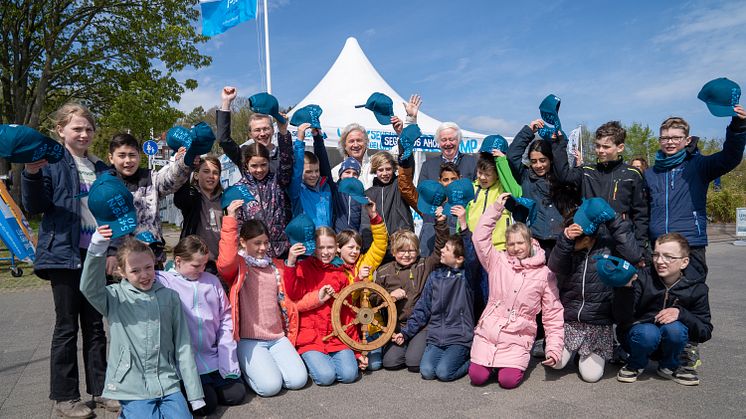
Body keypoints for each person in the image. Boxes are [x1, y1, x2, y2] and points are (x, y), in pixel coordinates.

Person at [21, 103, 116, 417]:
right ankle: (65, 398)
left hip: (96, 254)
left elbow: (113, 213)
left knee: (95, 326)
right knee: (66, 326)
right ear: (60, 130)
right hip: (64, 254)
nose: (84, 133)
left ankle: (101, 390)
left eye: (88, 128)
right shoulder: (51, 163)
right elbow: (34, 206)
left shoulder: (102, 168)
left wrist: (112, 253)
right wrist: (32, 173)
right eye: (77, 128)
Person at [80, 228, 205, 417]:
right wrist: (97, 248)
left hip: (167, 381)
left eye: (148, 267)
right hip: (131, 383)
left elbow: (183, 345)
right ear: (122, 271)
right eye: (135, 271)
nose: (144, 275)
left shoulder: (170, 297)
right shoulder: (114, 297)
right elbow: (89, 287)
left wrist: (195, 395)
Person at [469, 194, 564, 389]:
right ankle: (490, 364)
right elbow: (479, 237)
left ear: (530, 243)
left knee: (508, 381)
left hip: (518, 336)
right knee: (477, 378)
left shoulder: (544, 274)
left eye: (520, 243)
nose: (516, 248)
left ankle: (506, 365)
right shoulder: (497, 261)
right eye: (511, 244)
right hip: (489, 330)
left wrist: (554, 349)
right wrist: (495, 209)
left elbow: (553, 314)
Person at [217, 204, 312, 396]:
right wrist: (230, 219)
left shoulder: (275, 266)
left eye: (266, 243)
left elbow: (292, 294)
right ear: (243, 242)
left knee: (298, 380)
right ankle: (250, 370)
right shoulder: (239, 267)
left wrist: (292, 261)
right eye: (257, 243)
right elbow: (225, 261)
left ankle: (265, 368)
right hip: (250, 340)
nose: (263, 248)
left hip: (277, 338)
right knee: (270, 387)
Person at [645, 108, 746, 279]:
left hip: (690, 244)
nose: (670, 142)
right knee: (657, 300)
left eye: (676, 138)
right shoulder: (650, 173)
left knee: (691, 297)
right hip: (658, 246)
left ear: (687, 140)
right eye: (665, 138)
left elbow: (730, 157)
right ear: (659, 140)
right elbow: (643, 211)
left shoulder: (699, 166)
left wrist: (738, 126)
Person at [547, 200, 641, 383]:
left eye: (577, 238)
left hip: (598, 324)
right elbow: (555, 265)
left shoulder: (609, 245)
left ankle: (591, 352)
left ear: (589, 236)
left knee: (591, 376)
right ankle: (567, 349)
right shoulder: (569, 247)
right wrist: (565, 239)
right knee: (556, 363)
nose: (574, 241)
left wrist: (614, 220)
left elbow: (634, 255)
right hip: (570, 322)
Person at [157, 235, 246, 415]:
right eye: (196, 265)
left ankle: (212, 384)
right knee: (207, 406)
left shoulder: (211, 281)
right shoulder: (164, 281)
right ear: (178, 261)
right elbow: (141, 273)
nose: (202, 269)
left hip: (213, 355)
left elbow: (225, 316)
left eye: (204, 264)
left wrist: (226, 353)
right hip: (187, 363)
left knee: (236, 395)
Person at [391, 205, 479, 382]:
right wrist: (406, 332)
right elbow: (423, 309)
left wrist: (463, 224)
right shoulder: (435, 276)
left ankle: (474, 360)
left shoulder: (468, 276)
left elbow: (472, 255)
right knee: (427, 371)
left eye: (446, 249)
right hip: (437, 336)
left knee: (445, 373)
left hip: (459, 337)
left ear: (459, 258)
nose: (442, 251)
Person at [612, 233, 712, 386]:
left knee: (675, 330)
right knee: (648, 332)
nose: (660, 261)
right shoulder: (642, 277)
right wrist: (625, 289)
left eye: (668, 257)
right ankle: (635, 363)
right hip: (639, 338)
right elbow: (621, 319)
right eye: (656, 255)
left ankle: (669, 365)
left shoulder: (697, 288)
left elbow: (705, 332)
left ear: (684, 262)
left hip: (673, 342)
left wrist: (681, 313)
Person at [284, 227, 368, 385]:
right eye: (320, 247)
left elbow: (347, 313)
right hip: (311, 338)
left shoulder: (340, 273)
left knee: (350, 375)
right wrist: (291, 262)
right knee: (326, 377)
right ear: (313, 248)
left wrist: (357, 351)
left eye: (329, 247)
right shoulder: (303, 267)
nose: (325, 252)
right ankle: (311, 361)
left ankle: (325, 361)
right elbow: (292, 293)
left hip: (336, 337)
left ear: (336, 247)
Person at [552, 121, 650, 252]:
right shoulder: (587, 171)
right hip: (590, 241)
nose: (600, 151)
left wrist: (640, 247)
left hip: (621, 241)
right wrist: (559, 144)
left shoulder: (632, 174)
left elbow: (641, 215)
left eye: (606, 147)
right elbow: (563, 176)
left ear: (620, 147)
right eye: (597, 146)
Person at [105, 133, 192, 269]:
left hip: (152, 261)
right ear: (111, 158)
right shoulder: (104, 186)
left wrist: (186, 159)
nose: (128, 160)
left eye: (132, 155)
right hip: (118, 264)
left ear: (139, 156)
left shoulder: (151, 178)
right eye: (122, 156)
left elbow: (172, 178)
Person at [375, 215, 449, 372]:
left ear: (418, 251)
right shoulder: (383, 271)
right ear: (394, 252)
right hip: (396, 326)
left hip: (421, 325)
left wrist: (441, 224)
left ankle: (423, 347)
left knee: (413, 363)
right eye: (402, 251)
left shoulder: (425, 264)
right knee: (390, 363)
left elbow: (440, 247)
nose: (407, 255)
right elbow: (374, 300)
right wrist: (389, 297)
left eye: (411, 250)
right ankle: (406, 347)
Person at [336, 200, 388, 370]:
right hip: (347, 328)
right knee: (353, 365)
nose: (354, 251)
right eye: (350, 247)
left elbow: (380, 244)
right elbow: (345, 297)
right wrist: (358, 279)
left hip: (370, 327)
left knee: (375, 365)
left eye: (358, 247)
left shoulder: (365, 261)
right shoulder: (334, 269)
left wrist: (374, 216)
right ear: (338, 248)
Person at [507, 120, 565, 257]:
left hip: (560, 241)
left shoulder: (562, 177)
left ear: (550, 159)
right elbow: (512, 155)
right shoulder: (525, 176)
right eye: (533, 161)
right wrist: (528, 131)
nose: (538, 165)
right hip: (535, 240)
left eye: (542, 160)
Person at [232, 141, 293, 258]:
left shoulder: (277, 181)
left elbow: (287, 162)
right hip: (253, 254)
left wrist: (284, 134)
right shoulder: (238, 189)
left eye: (263, 165)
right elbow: (238, 224)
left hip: (281, 252)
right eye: (254, 166)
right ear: (246, 165)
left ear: (269, 162)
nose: (259, 170)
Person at [218, 86, 291, 174]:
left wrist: (283, 131)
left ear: (272, 130)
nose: (262, 133)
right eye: (257, 130)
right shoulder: (244, 154)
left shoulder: (283, 154)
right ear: (250, 134)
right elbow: (224, 140)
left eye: (266, 129)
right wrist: (226, 101)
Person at [173, 155, 224, 274]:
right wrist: (184, 165)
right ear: (196, 175)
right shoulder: (192, 197)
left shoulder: (225, 200)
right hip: (196, 263)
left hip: (220, 264)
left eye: (215, 173)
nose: (211, 176)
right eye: (206, 171)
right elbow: (180, 199)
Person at [289, 123, 332, 227]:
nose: (314, 175)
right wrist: (299, 140)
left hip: (326, 239)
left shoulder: (326, 187)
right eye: (308, 172)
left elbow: (324, 160)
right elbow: (296, 170)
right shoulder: (297, 191)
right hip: (307, 240)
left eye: (316, 171)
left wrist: (317, 136)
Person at [331, 123, 374, 188]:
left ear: (366, 143)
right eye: (351, 141)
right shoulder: (335, 171)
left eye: (359, 140)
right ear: (344, 145)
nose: (356, 145)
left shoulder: (376, 166)